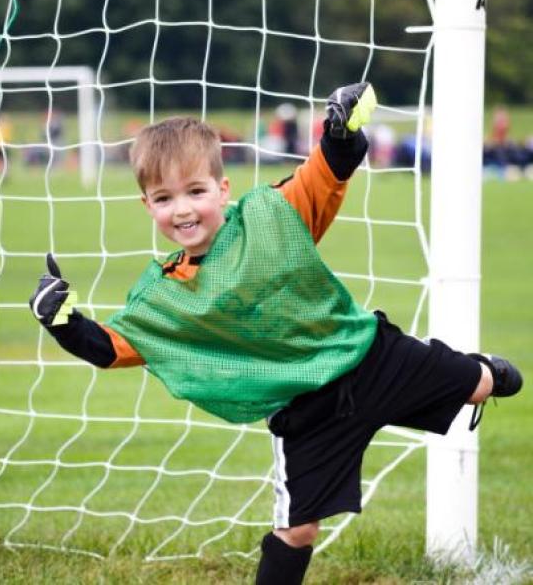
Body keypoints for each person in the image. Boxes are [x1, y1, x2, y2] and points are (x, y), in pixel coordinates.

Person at [29, 83, 523, 585]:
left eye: (195, 191)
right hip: (306, 411)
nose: (182, 209)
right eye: (164, 198)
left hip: (369, 357)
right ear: (146, 205)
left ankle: (478, 369)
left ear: (222, 190)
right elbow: (113, 347)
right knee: (297, 530)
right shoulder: (164, 296)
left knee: (493, 383)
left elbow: (327, 170)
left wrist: (340, 129)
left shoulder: (271, 215)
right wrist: (62, 319)